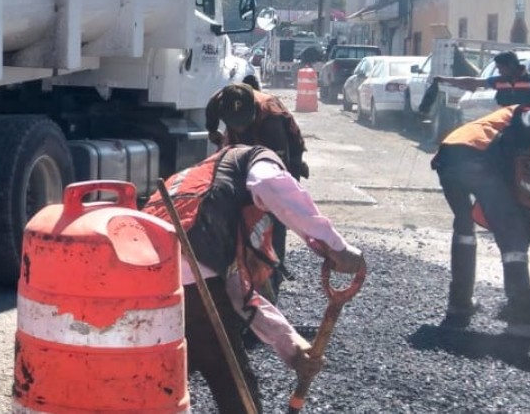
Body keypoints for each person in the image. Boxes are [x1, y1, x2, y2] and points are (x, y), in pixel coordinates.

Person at [143, 145, 365, 414]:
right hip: (189, 282)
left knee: (158, 379)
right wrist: (335, 245)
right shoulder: (252, 159)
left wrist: (292, 346)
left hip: (142, 284)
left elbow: (239, 293)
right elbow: (270, 184)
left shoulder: (202, 184)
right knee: (234, 386)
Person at [431, 103, 530, 337]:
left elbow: (520, 208)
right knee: (513, 239)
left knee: (464, 229)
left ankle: (460, 304)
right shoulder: (528, 114)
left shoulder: (503, 141)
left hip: (448, 157)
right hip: (477, 157)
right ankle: (521, 320)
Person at [205, 83, 309, 297]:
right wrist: (213, 132)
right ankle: (236, 279)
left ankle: (273, 276)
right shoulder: (219, 101)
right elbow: (211, 115)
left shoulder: (271, 119)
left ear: (253, 111)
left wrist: (270, 202)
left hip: (284, 159)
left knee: (275, 214)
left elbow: (278, 175)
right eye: (236, 125)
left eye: (243, 124)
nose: (240, 129)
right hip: (242, 148)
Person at [434, 50, 530, 120]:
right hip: (507, 123)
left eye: (501, 68)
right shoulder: (499, 81)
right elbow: (472, 81)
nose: (499, 71)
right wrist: (444, 79)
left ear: (511, 65)